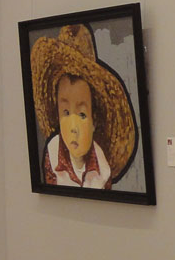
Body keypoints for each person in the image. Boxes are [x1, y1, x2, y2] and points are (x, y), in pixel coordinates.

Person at [30, 23, 137, 189]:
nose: (73, 128)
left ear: (94, 120)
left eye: (82, 115)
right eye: (66, 113)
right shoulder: (52, 152)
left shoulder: (102, 169)